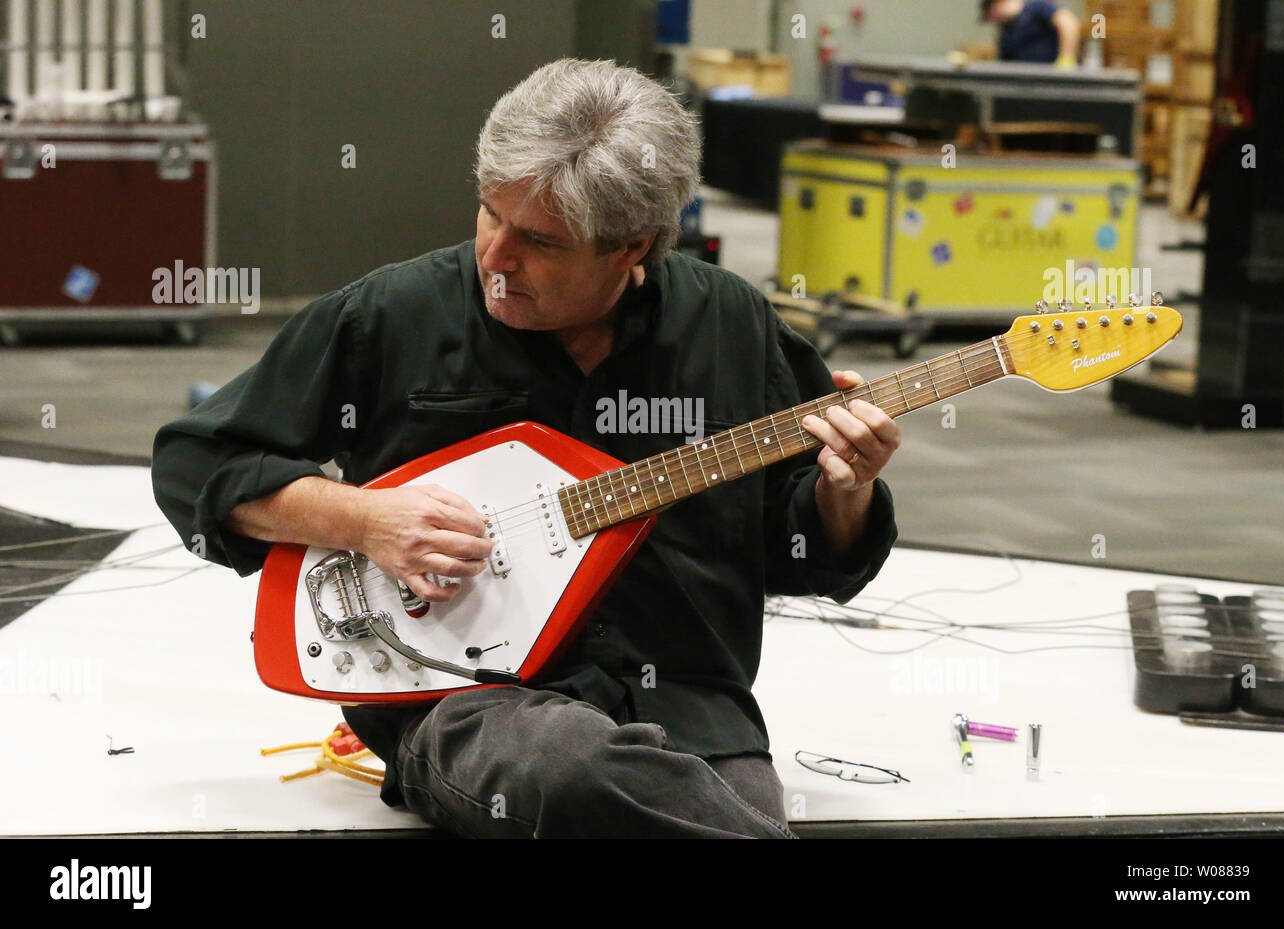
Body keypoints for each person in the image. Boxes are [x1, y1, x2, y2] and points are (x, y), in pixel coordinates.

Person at [151, 58, 901, 838]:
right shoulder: (394, 313)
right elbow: (197, 463)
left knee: (705, 802)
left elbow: (803, 554)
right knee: (569, 766)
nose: (496, 257)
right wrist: (362, 519)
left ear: (631, 248)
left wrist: (843, 491)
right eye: (488, 213)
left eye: (540, 241)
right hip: (466, 699)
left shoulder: (733, 326)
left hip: (688, 706)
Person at [981, 0, 1081, 67]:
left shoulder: (1036, 8)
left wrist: (1066, 58)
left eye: (991, 15)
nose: (993, 21)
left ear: (998, 3)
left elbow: (1068, 23)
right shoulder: (1006, 31)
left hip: (1050, 79)